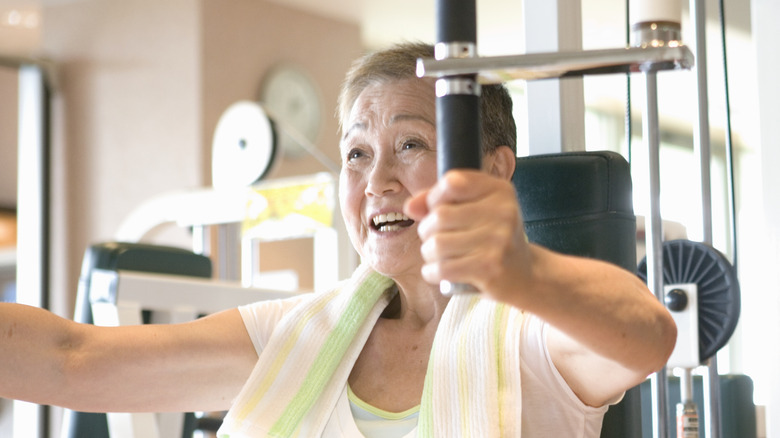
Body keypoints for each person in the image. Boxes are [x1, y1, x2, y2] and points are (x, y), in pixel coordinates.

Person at [0, 42, 676, 437]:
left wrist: (523, 272)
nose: (376, 179)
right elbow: (71, 357)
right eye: (356, 154)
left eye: (409, 144)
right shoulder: (290, 337)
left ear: (494, 171)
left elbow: (647, 334)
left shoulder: (527, 336)